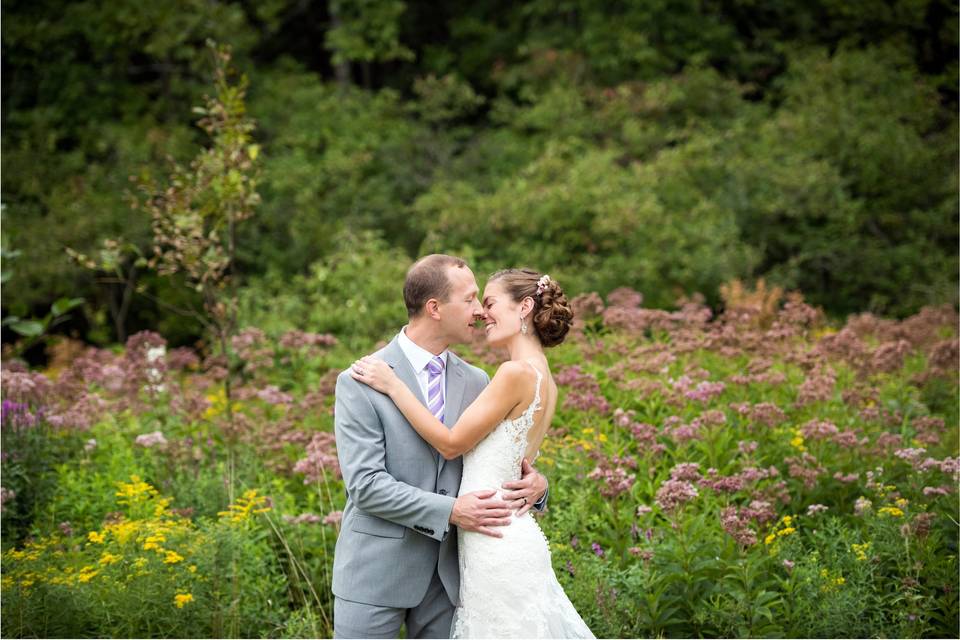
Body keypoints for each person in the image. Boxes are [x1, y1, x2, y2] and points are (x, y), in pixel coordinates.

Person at [351, 267, 595, 638]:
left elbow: (451, 444)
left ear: (525, 307)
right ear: (433, 307)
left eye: (490, 302)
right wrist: (537, 485)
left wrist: (395, 386)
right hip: (487, 539)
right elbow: (516, 461)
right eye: (473, 300)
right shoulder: (541, 377)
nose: (482, 311)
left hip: (490, 542)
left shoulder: (505, 375)